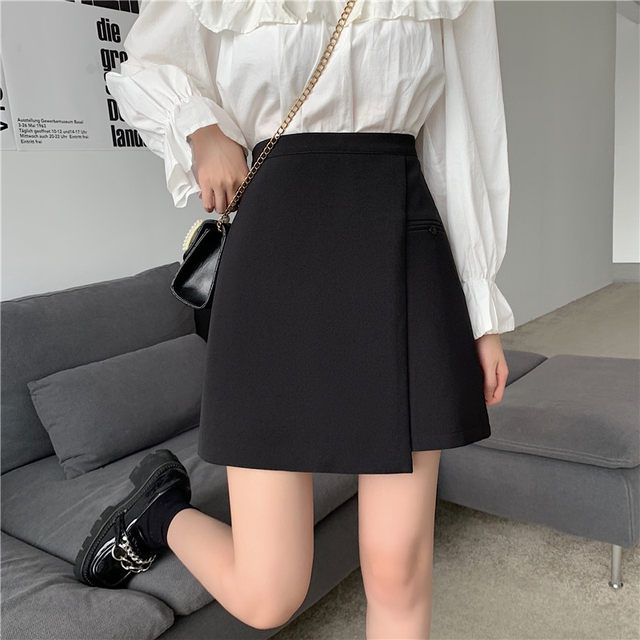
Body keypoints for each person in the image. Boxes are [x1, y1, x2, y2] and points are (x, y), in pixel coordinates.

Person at [75, 0, 515, 637]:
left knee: (398, 568)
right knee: (269, 595)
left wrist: (480, 306)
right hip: (273, 251)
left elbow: (466, 131)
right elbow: (146, 64)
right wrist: (199, 127)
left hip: (403, 244)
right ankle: (159, 514)